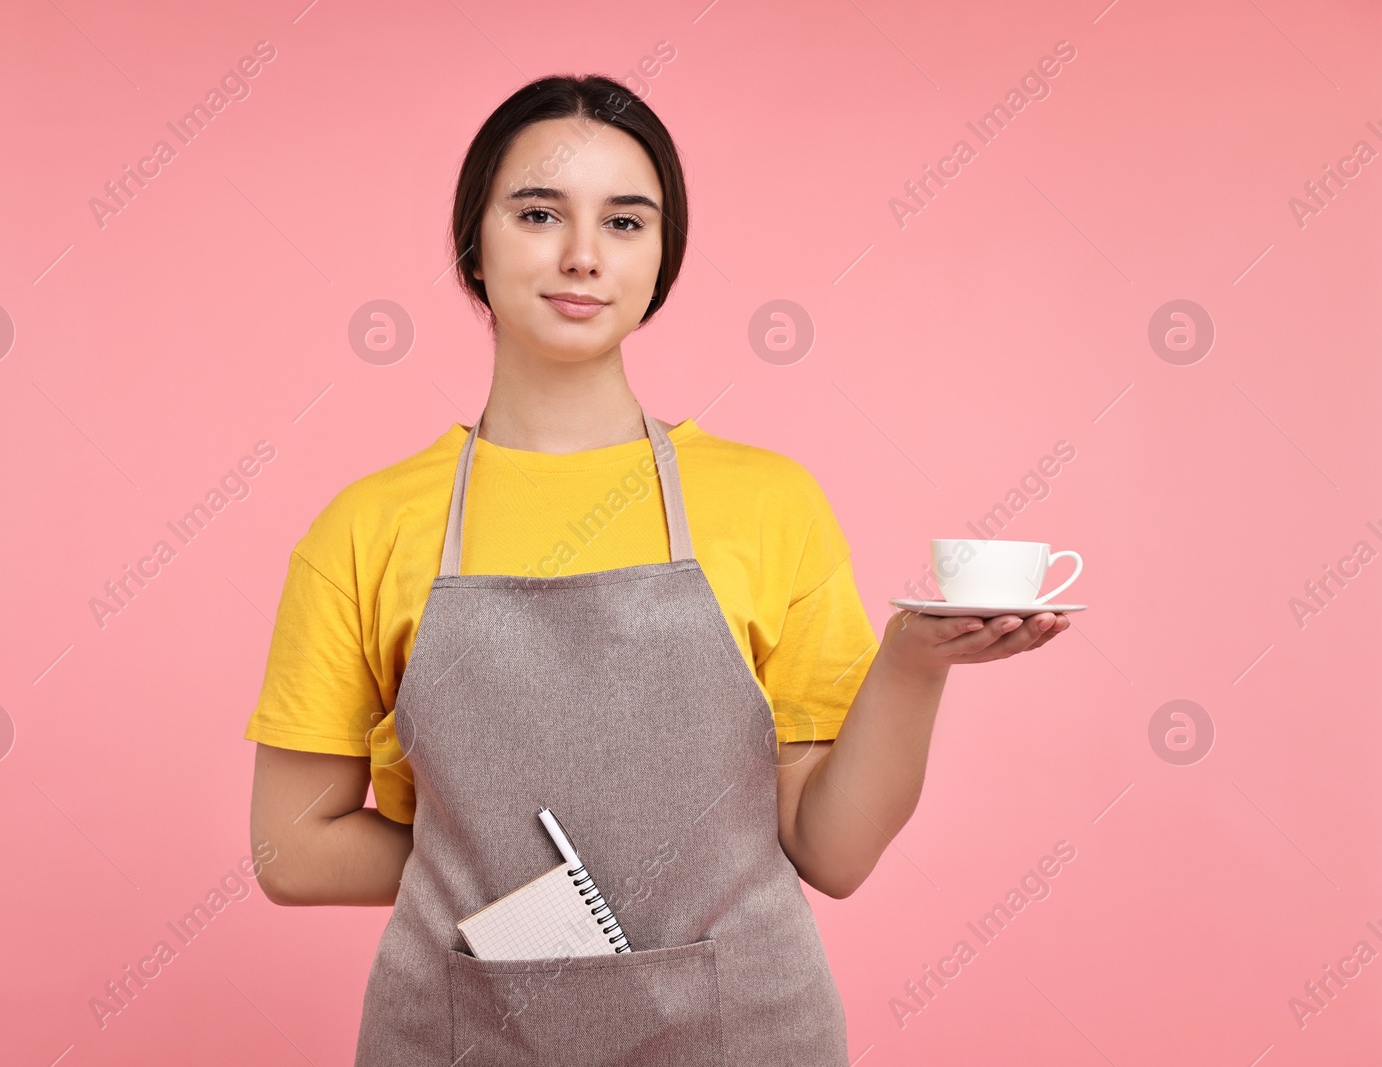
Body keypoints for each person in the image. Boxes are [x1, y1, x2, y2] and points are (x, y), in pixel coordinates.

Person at [243, 74, 1070, 1067]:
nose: (583, 255)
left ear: (662, 255)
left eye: (626, 222)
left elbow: (831, 851)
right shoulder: (366, 526)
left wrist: (913, 661)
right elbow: (290, 847)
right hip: (463, 1031)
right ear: (474, 240)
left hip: (747, 1030)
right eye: (539, 212)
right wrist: (501, 883)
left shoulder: (768, 503)